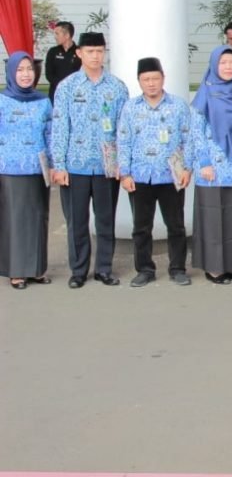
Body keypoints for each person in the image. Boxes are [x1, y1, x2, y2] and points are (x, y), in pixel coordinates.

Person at [50, 31, 129, 289]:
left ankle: (104, 268)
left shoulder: (117, 87)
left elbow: (123, 129)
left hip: (108, 166)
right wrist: (59, 165)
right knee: (77, 221)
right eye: (90, 51)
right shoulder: (68, 87)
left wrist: (123, 164)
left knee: (106, 220)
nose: (95, 56)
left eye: (99, 51)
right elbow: (60, 127)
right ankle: (79, 270)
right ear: (79, 53)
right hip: (76, 165)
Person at [116, 57, 195, 287]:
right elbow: (124, 141)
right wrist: (125, 173)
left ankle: (178, 268)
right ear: (139, 81)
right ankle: (145, 269)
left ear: (163, 78)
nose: (151, 83)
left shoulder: (178, 105)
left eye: (155, 78)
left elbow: (188, 139)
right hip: (140, 176)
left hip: (171, 176)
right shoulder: (130, 107)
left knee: (176, 225)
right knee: (141, 227)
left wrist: (188, 168)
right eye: (146, 79)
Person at [190, 46, 232, 285]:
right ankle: (215, 268)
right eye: (223, 62)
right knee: (213, 220)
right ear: (214, 65)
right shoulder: (205, 93)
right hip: (213, 170)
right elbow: (196, 132)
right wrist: (204, 162)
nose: (228, 67)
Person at [0, 52, 52, 289]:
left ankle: (37, 269)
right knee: (15, 219)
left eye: (29, 69)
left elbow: (50, 134)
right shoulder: (2, 101)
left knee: (38, 218)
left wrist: (54, 165)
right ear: (11, 73)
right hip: (9, 168)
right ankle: (16, 271)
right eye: (19, 69)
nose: (25, 74)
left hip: (38, 169)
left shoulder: (43, 101)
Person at [44, 20, 80, 102]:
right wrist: (62, 85)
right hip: (56, 94)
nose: (55, 36)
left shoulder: (80, 52)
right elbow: (49, 74)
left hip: (75, 94)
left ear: (67, 35)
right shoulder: (53, 52)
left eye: (57, 33)